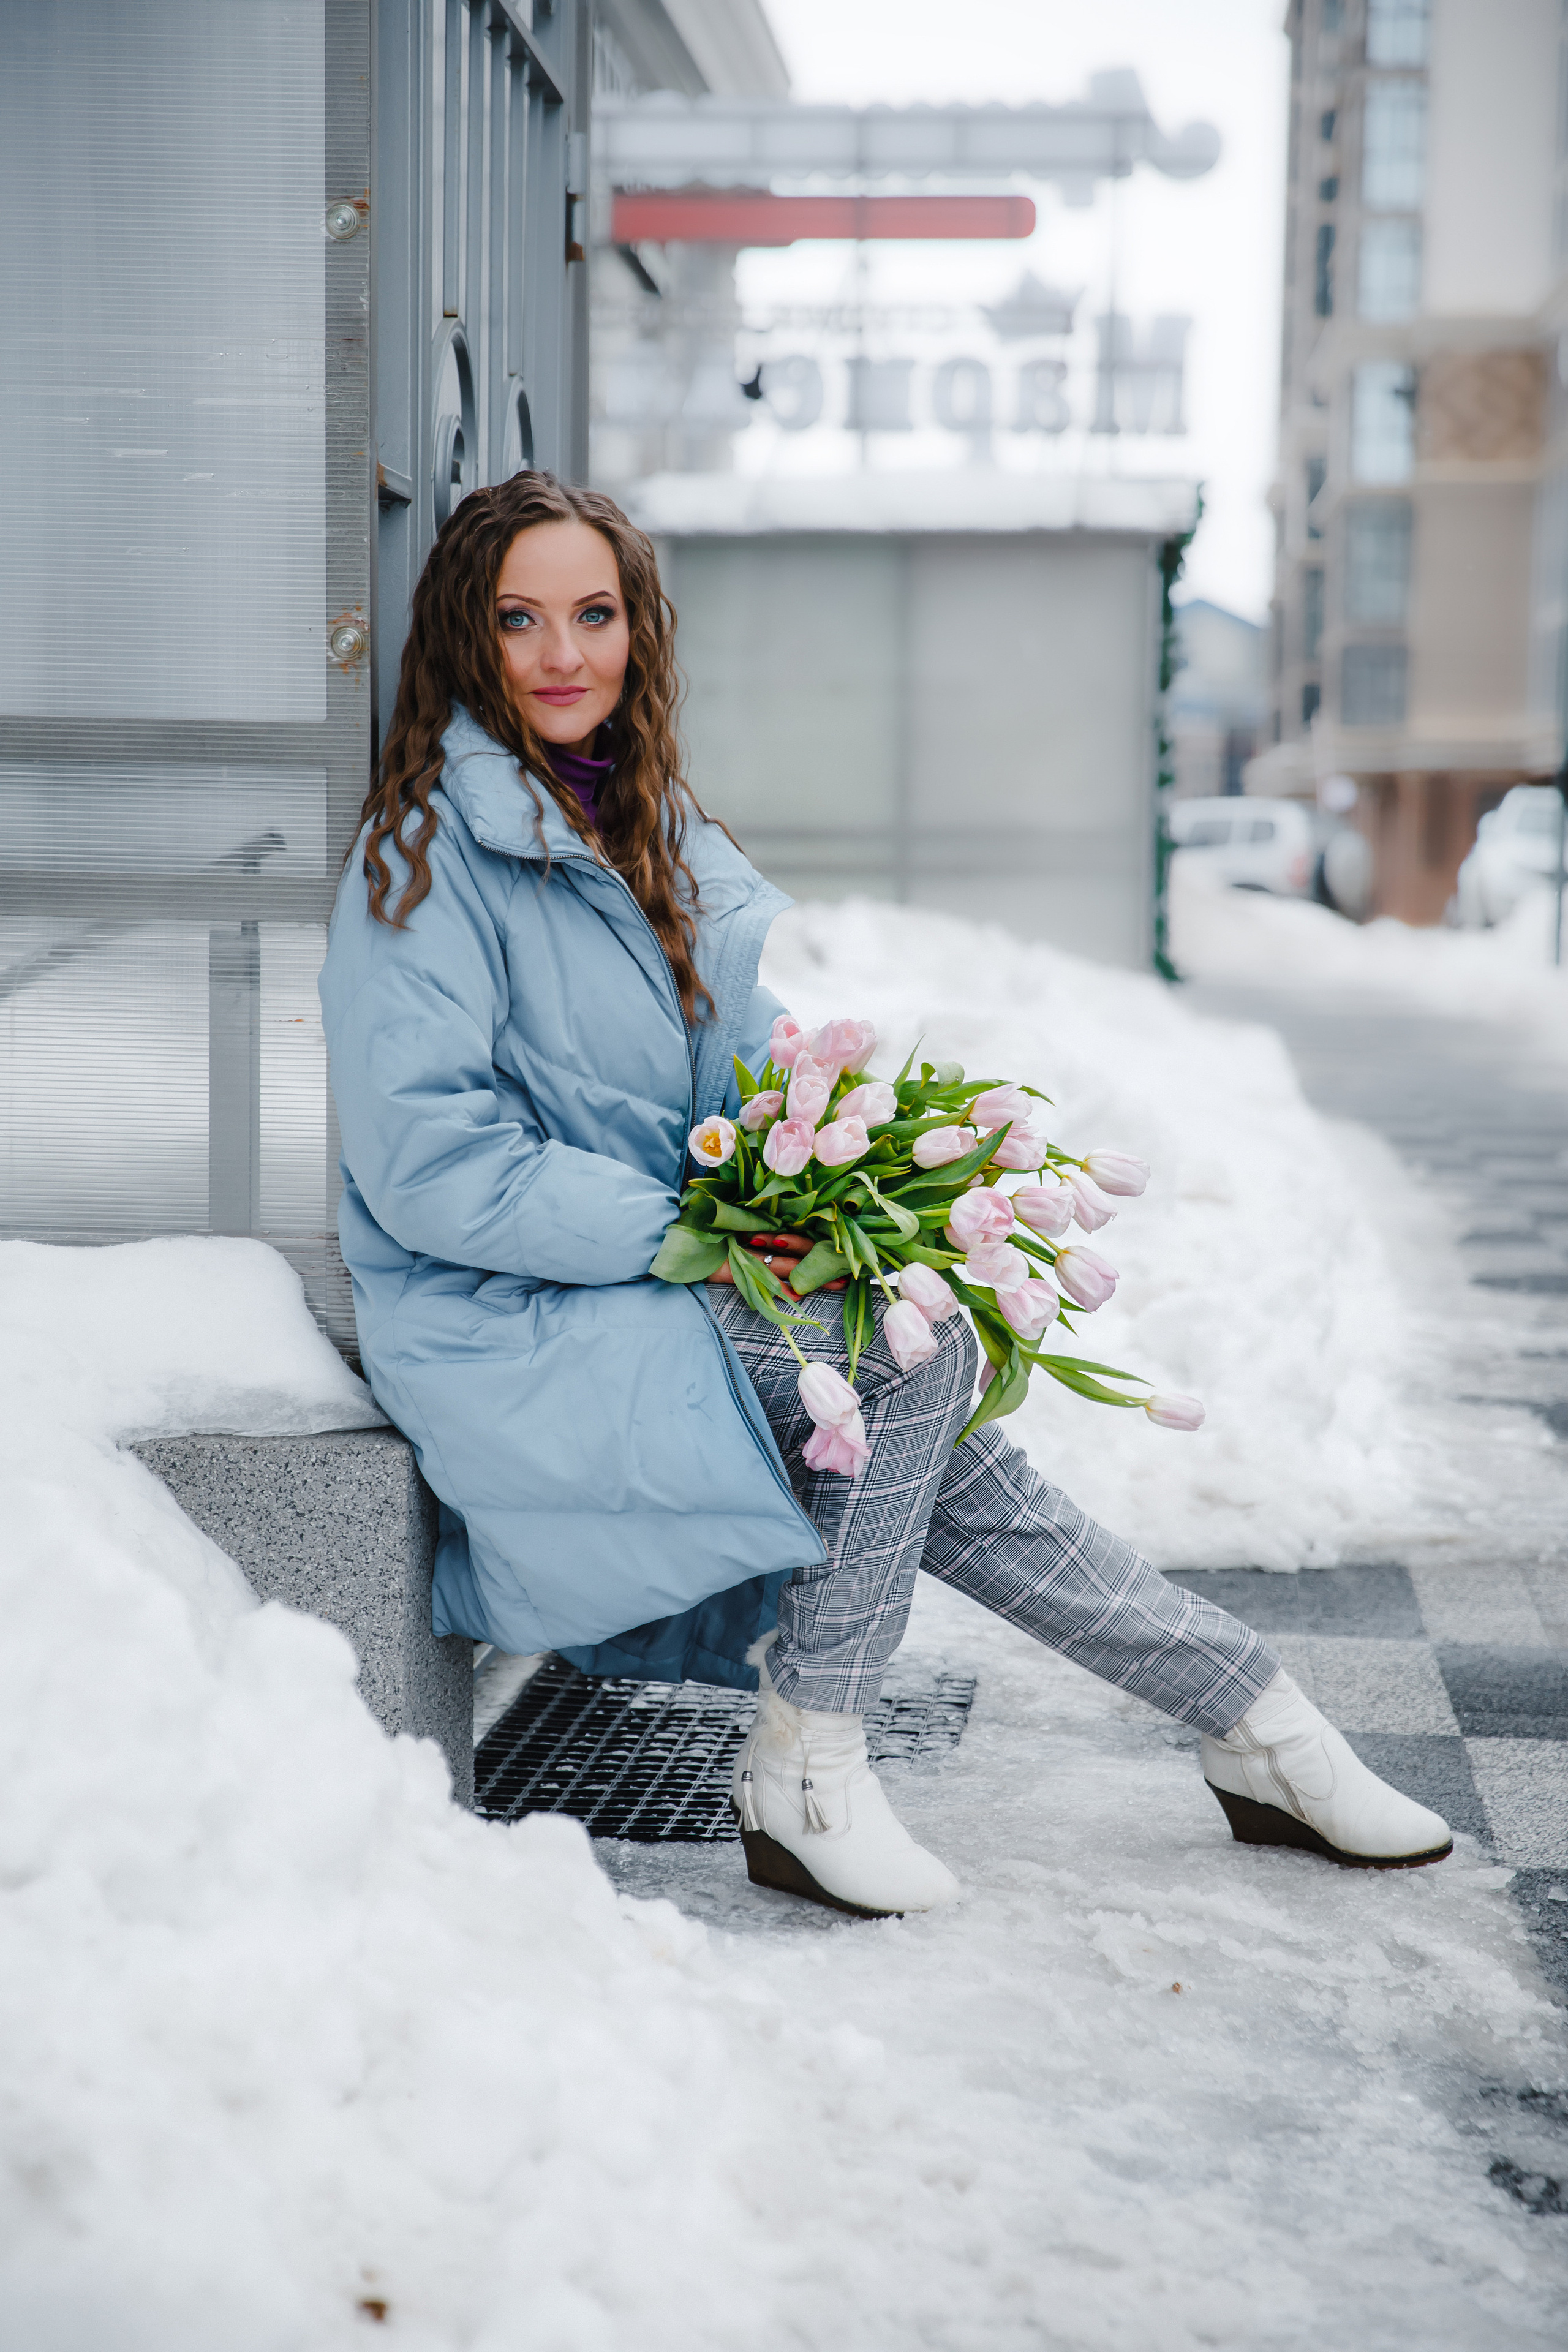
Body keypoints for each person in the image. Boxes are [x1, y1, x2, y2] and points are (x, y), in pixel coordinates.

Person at [319, 472, 1451, 1920]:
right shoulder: (421, 861)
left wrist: (839, 1165)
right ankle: (807, 1759)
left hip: (631, 1277)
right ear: (464, 642)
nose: (560, 655)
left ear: (635, 628)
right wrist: (698, 1239)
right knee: (903, 1374)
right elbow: (432, 1172)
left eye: (592, 614)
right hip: (509, 1307)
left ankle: (1258, 1719)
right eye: (517, 618)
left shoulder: (639, 827)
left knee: (937, 1412)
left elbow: (731, 1070)